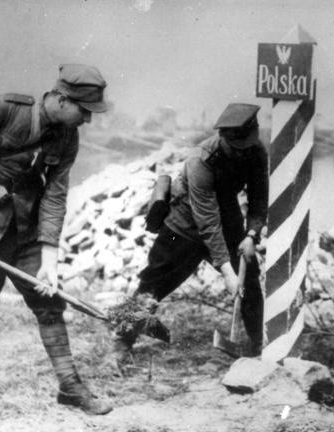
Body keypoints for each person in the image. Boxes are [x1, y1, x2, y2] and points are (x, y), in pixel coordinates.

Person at [0, 64, 113, 420]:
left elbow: (55, 196)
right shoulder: (4, 110)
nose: (87, 119)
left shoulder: (67, 137)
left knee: (48, 299)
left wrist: (50, 262)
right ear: (59, 98)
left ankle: (69, 386)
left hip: (25, 229)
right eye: (83, 110)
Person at [113, 102, 268, 364]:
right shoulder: (201, 159)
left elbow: (259, 197)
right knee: (153, 283)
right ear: (224, 138)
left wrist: (251, 235)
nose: (241, 153)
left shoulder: (256, 150)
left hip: (228, 219)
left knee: (250, 282)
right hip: (184, 222)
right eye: (235, 148)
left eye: (246, 146)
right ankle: (122, 341)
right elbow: (206, 220)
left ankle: (257, 349)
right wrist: (227, 271)